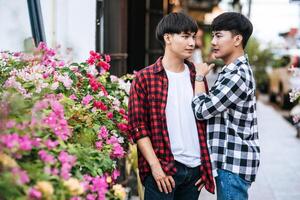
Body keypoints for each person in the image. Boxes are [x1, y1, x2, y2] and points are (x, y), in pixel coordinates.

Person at [128, 12, 215, 200]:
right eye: (185, 36)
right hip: (163, 171)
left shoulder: (197, 76)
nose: (192, 42)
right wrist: (155, 167)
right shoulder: (145, 78)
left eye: (193, 36)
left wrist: (205, 168)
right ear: (167, 38)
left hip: (194, 172)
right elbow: (138, 127)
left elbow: (206, 120)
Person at [191, 12, 260, 200]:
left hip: (233, 165)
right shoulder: (231, 70)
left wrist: (199, 77)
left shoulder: (237, 75)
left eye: (219, 35)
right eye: (213, 35)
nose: (213, 41)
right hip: (230, 163)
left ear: (237, 39)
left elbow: (202, 111)